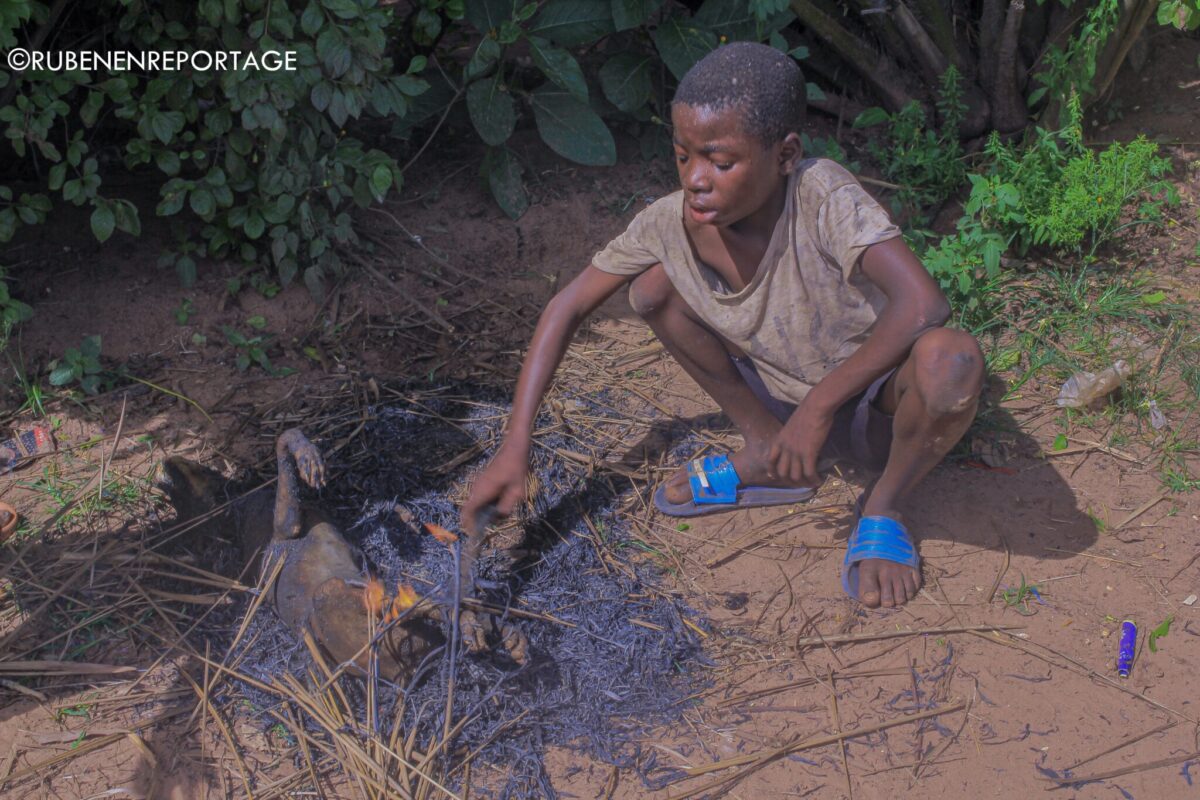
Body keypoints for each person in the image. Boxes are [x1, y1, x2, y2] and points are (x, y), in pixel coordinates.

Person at [462, 42, 983, 609]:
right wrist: (516, 446)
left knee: (950, 361)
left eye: (720, 161)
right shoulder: (669, 223)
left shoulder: (819, 194)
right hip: (785, 410)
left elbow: (923, 305)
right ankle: (766, 451)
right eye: (682, 156)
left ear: (784, 155)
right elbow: (567, 307)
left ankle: (884, 504)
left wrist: (819, 407)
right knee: (654, 289)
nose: (695, 179)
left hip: (879, 407)